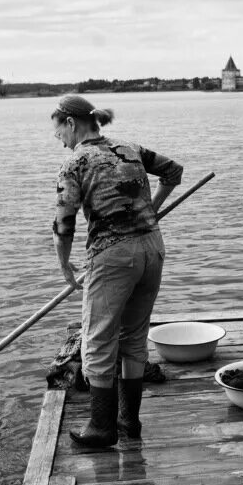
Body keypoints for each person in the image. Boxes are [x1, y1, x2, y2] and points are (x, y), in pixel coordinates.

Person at [50, 94, 183, 447]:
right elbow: (174, 171)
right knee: (134, 336)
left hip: (112, 257)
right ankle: (129, 421)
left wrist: (64, 263)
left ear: (70, 124)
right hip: (152, 250)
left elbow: (64, 225)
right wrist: (149, 211)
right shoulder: (130, 148)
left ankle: (101, 426)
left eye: (57, 130)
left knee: (97, 339)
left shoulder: (74, 164)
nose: (57, 139)